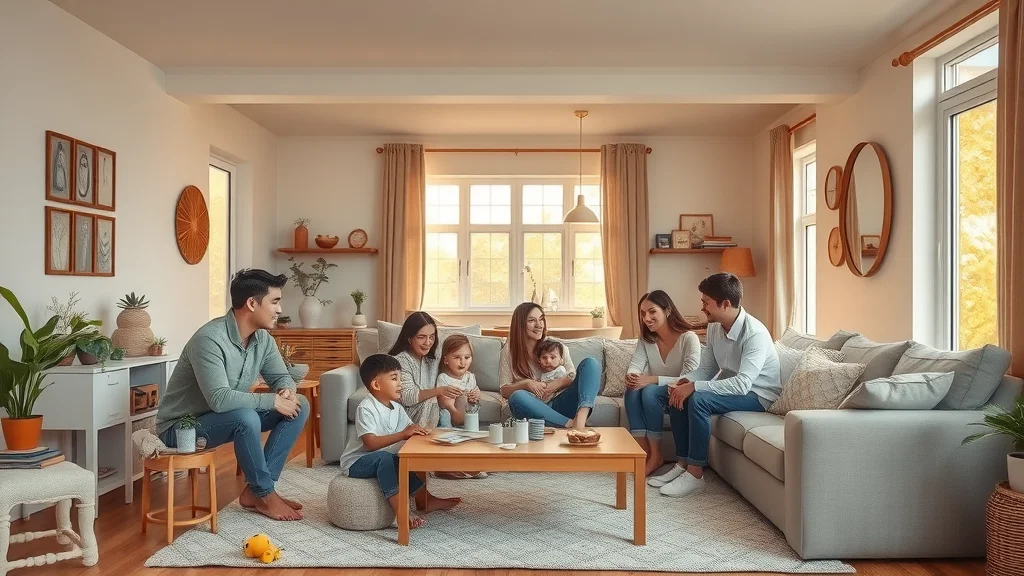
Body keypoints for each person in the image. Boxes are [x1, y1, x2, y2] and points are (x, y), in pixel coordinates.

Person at [155, 269, 309, 521]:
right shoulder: (209, 339)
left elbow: (281, 377)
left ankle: (256, 491)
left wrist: (286, 391)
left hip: (224, 418)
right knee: (245, 417)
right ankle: (266, 494)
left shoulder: (263, 339)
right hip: (182, 428)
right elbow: (220, 399)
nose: (280, 310)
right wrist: (272, 400)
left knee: (299, 404)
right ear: (251, 303)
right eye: (275, 301)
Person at [648, 273, 782, 498]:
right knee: (680, 392)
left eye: (706, 302)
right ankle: (682, 463)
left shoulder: (755, 334)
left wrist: (696, 388)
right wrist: (686, 381)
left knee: (698, 399)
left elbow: (742, 384)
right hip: (734, 388)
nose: (702, 308)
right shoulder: (714, 327)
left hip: (758, 395)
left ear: (725, 304)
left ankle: (695, 475)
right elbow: (708, 370)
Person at [338, 354, 462, 530]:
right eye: (394, 378)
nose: (400, 383)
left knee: (403, 462)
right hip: (357, 462)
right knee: (386, 459)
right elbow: (370, 444)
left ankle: (425, 499)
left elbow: (410, 427)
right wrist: (403, 434)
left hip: (381, 456)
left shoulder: (396, 407)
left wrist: (419, 431)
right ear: (376, 384)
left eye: (400, 378)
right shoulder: (366, 408)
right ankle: (401, 511)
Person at [624, 290, 702, 476]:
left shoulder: (688, 338)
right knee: (633, 389)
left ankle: (656, 455)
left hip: (681, 395)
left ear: (667, 311)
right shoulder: (646, 339)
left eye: (652, 312)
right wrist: (632, 376)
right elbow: (636, 364)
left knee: (649, 390)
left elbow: (689, 377)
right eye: (642, 314)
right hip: (655, 396)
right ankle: (644, 453)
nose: (646, 318)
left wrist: (651, 379)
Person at [498, 302, 601, 429]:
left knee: (591, 363)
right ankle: (570, 424)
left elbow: (572, 377)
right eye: (532, 320)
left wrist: (557, 384)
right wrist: (526, 384)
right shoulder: (509, 351)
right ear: (520, 325)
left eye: (541, 319)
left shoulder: (556, 347)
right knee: (517, 397)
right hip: (534, 408)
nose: (539, 325)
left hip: (563, 403)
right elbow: (504, 390)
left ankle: (580, 420)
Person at [387, 312, 460, 429]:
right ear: (410, 339)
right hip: (406, 416)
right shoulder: (400, 361)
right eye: (421, 337)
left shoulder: (432, 359)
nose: (428, 342)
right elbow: (407, 398)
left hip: (433, 413)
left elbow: (453, 375)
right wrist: (439, 391)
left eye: (431, 336)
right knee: (431, 399)